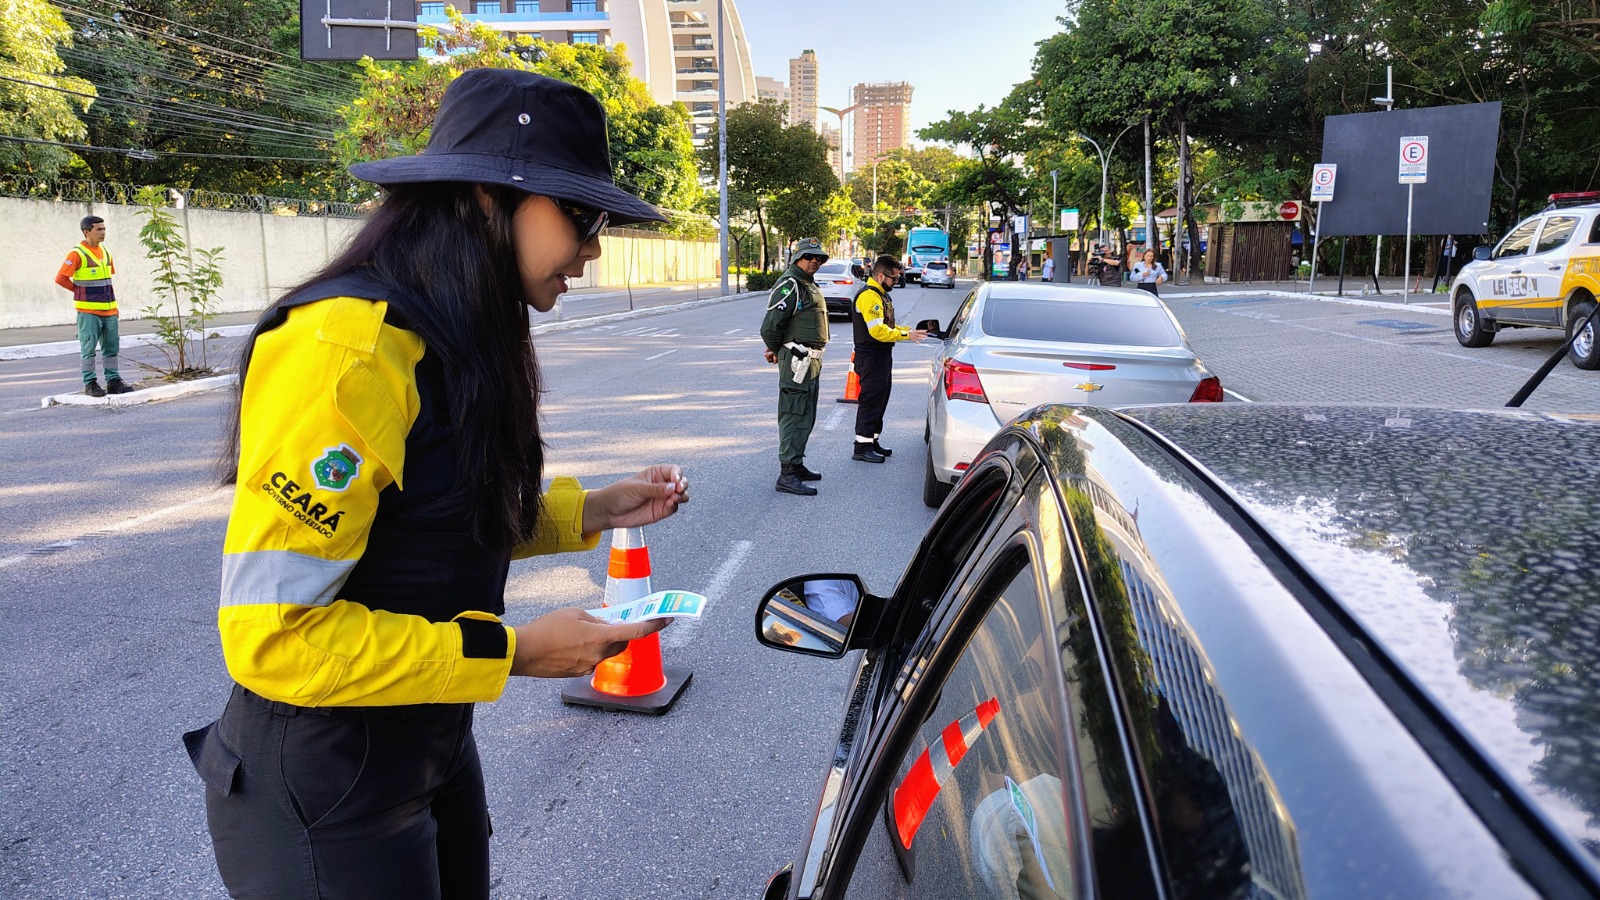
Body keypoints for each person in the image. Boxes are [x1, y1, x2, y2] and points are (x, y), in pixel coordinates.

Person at [181, 69, 691, 899]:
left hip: (430, 741)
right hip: (325, 778)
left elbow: (426, 519)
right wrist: (516, 652)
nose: (594, 250)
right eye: (584, 218)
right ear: (490, 198)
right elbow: (274, 637)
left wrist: (591, 510)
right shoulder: (346, 347)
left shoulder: (456, 328)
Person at [760, 238, 830, 496]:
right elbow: (770, 326)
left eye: (819, 258)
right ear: (796, 257)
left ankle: (796, 464)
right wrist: (777, 349)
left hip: (809, 360)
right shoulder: (790, 283)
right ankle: (787, 475)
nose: (815, 261)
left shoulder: (807, 283)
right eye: (809, 257)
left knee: (806, 413)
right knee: (794, 414)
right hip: (797, 360)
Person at [848, 255, 926, 463]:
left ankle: (872, 441)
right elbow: (877, 331)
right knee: (871, 401)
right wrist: (905, 336)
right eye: (893, 278)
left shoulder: (882, 295)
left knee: (880, 400)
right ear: (881, 275)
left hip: (881, 356)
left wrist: (908, 331)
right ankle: (862, 447)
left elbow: (888, 326)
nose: (896, 282)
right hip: (871, 356)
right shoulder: (869, 296)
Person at [56, 215, 133, 396]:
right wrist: (78, 291)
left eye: (104, 229)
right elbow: (60, 278)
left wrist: (115, 308)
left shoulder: (106, 252)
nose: (103, 232)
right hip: (88, 311)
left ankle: (113, 381)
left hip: (109, 310)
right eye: (99, 229)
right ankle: (90, 383)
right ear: (86, 232)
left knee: (111, 348)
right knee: (88, 348)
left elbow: (107, 282)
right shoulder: (76, 254)